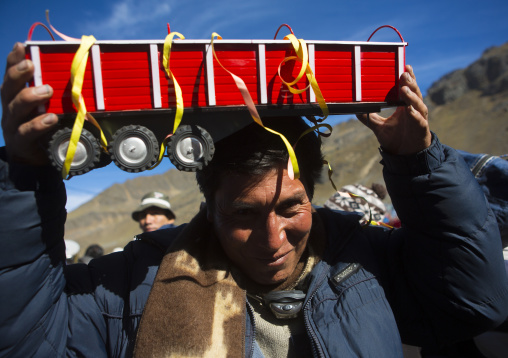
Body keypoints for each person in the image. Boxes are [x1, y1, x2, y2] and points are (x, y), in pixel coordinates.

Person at [1, 42, 508, 358]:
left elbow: (473, 303)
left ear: (312, 191)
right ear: (207, 200)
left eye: (291, 207)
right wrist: (23, 180)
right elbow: (27, 339)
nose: (273, 239)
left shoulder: (365, 259)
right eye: (244, 214)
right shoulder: (137, 284)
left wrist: (420, 165)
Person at [323, 183, 388, 223]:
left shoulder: (352, 186)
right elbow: (375, 227)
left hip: (324, 216)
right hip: (342, 232)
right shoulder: (380, 206)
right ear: (381, 197)